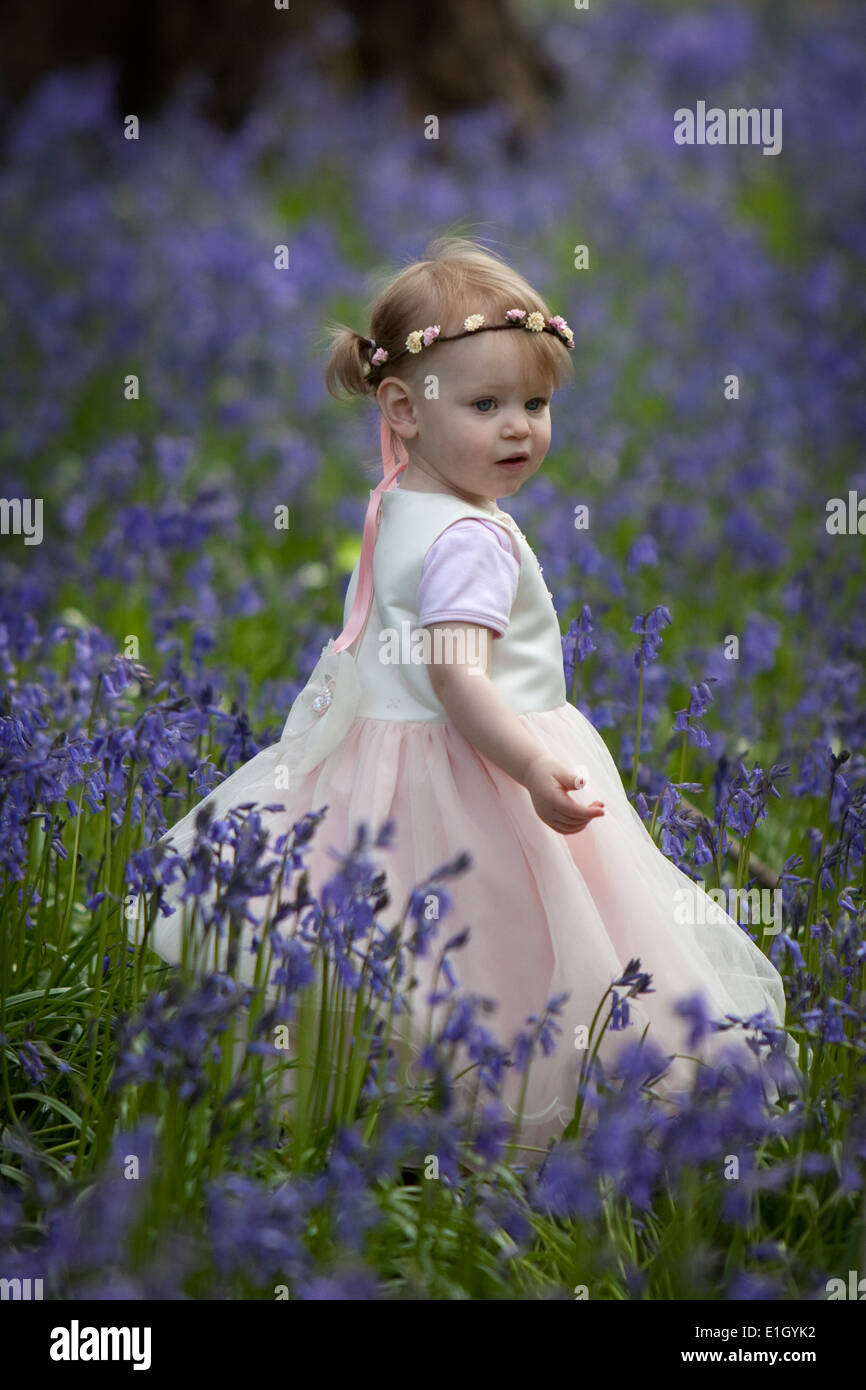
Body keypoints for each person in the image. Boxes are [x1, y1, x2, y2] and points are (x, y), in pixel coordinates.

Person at [136, 235, 801, 1148]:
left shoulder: (401, 499)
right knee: (517, 946)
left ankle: (379, 1107)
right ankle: (532, 1122)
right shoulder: (470, 541)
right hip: (478, 772)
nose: (521, 427)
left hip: (384, 767)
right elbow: (455, 675)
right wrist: (530, 762)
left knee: (401, 948)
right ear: (404, 408)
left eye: (535, 402)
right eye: (487, 404)